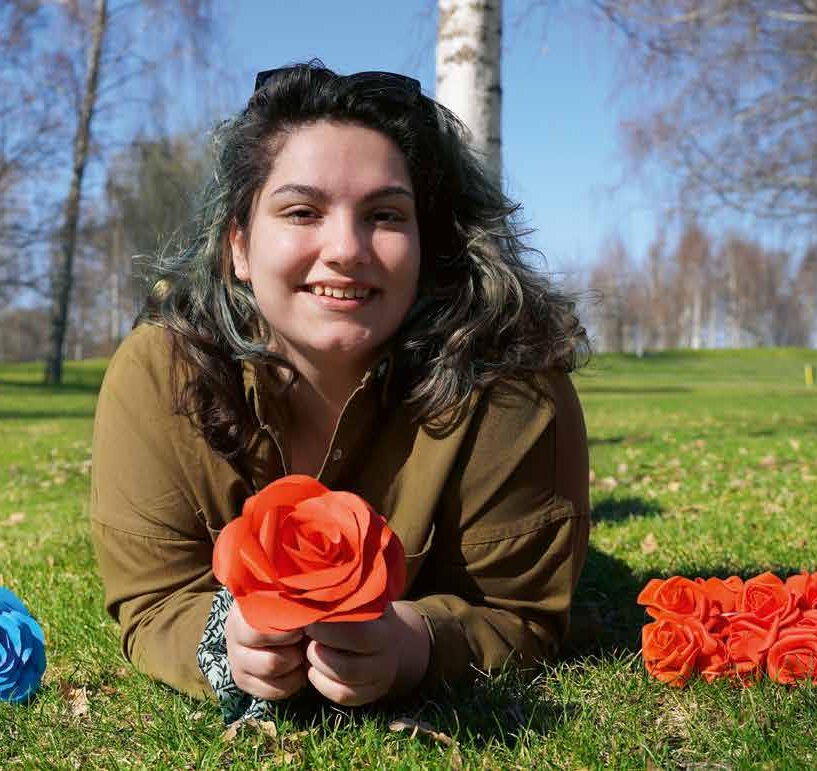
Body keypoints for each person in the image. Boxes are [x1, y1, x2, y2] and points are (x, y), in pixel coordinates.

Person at [89, 62, 591, 714]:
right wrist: (221, 642)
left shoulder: (512, 385)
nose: (346, 249)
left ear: (429, 244)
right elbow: (153, 599)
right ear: (238, 245)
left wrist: (416, 644)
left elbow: (521, 610)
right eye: (301, 211)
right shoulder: (159, 373)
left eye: (385, 215)